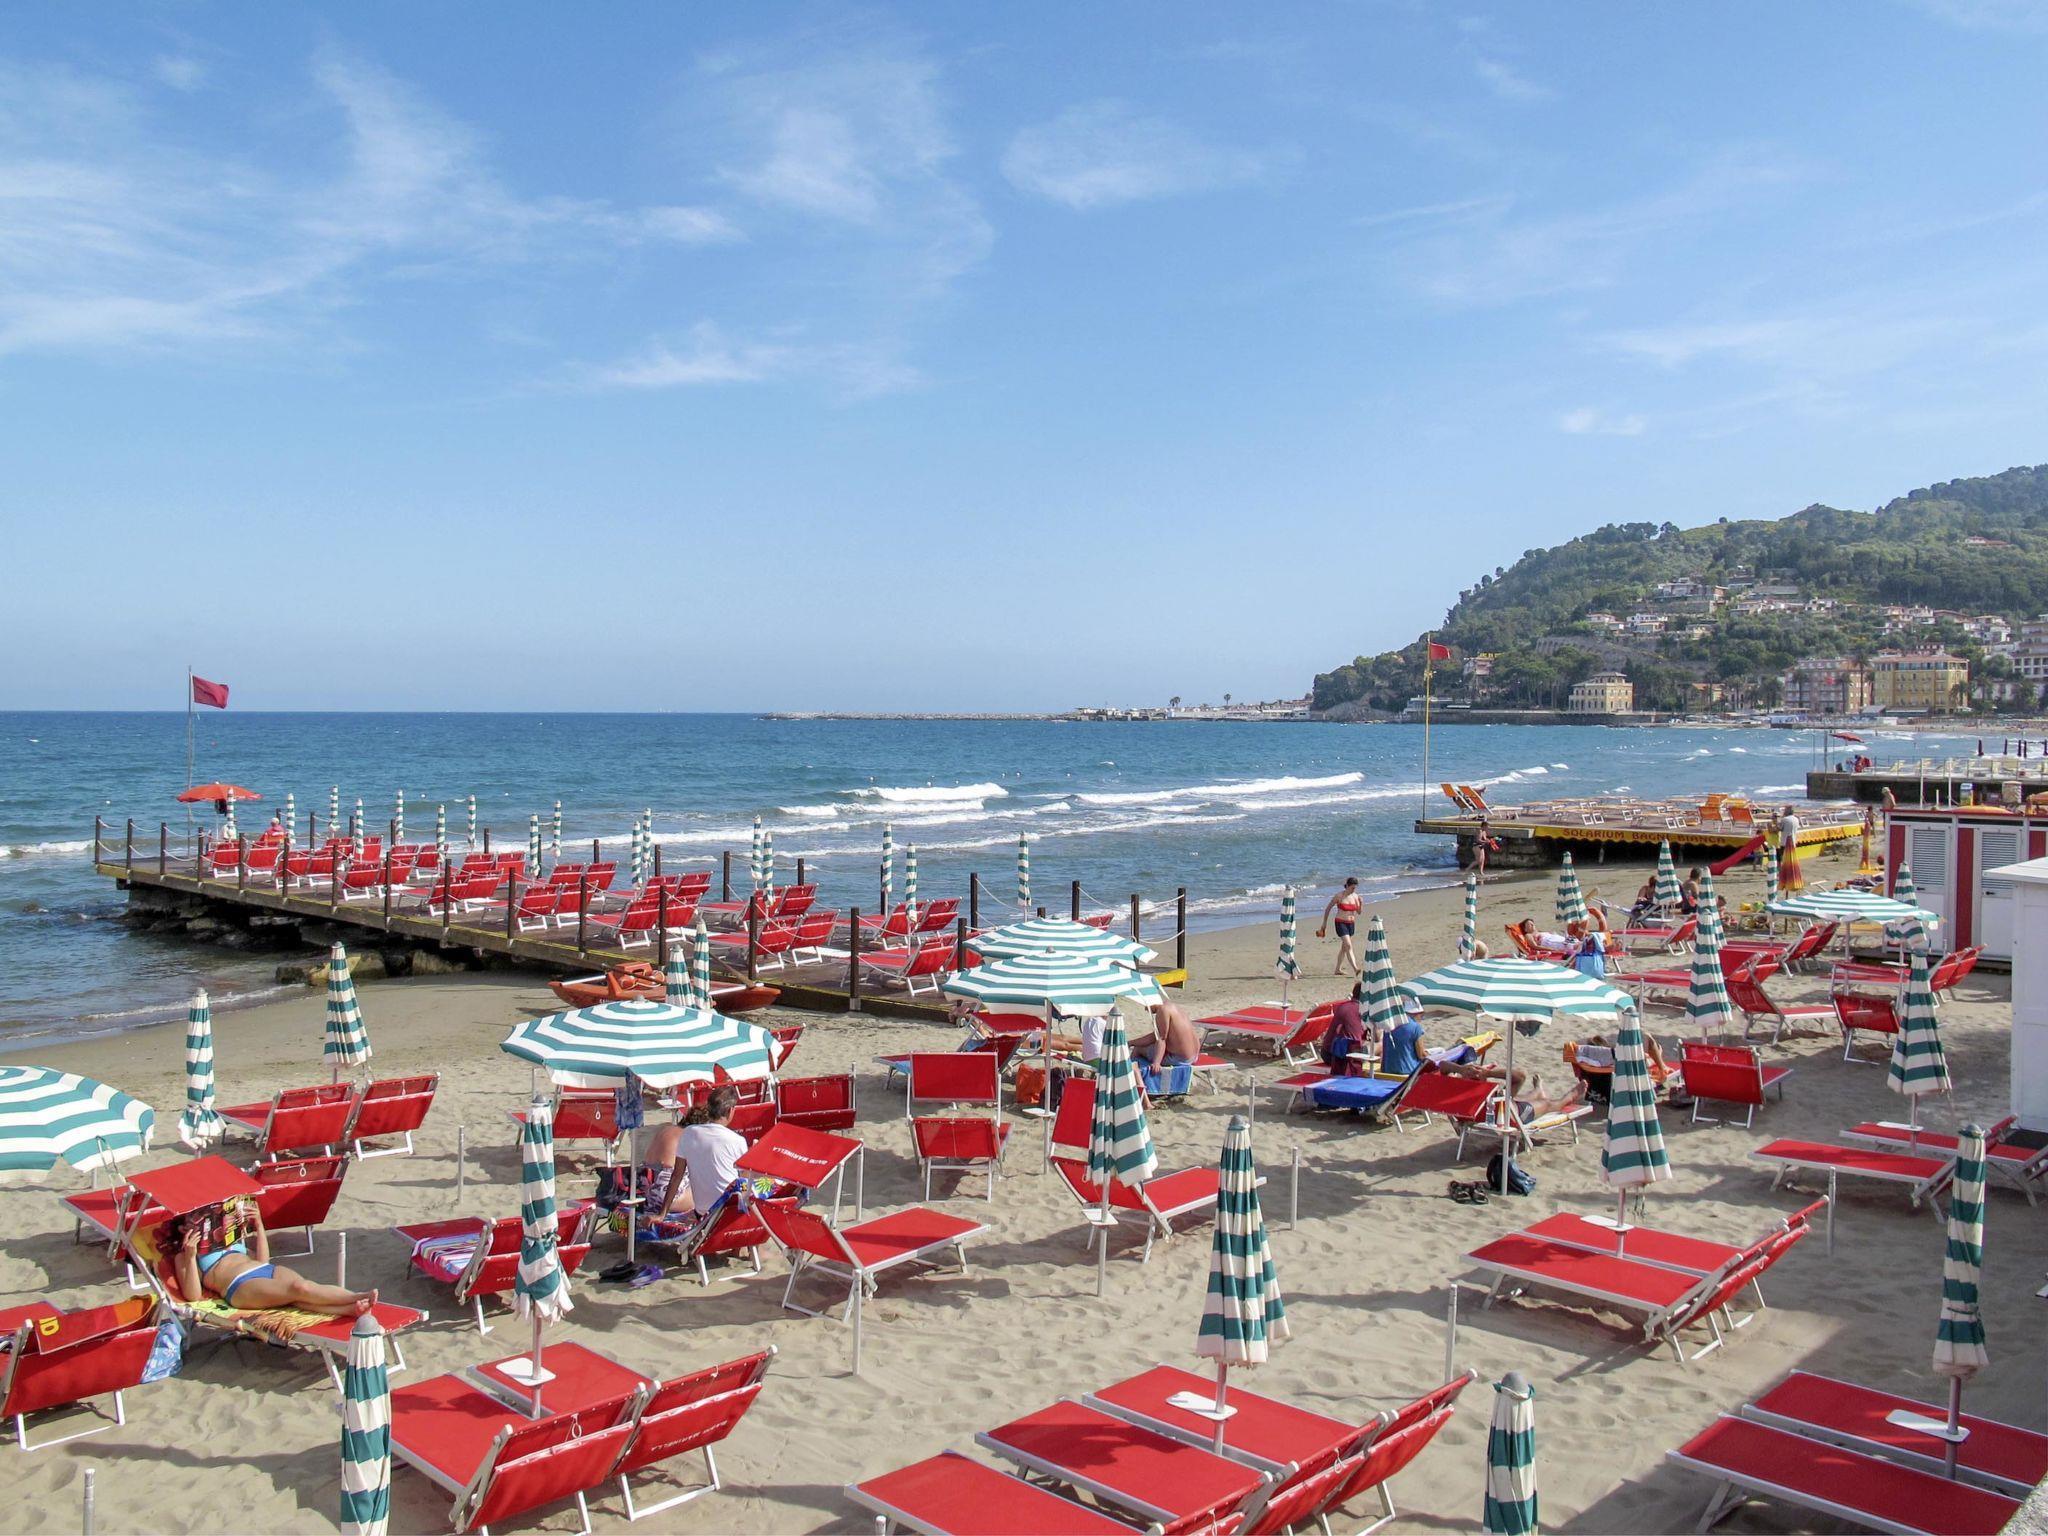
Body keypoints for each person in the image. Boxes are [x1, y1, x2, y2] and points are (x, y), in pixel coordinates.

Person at [170, 1206, 377, 1317]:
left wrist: (259, 1226)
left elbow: (263, 1260)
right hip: (239, 1285)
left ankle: (349, 1310)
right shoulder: (185, 1256)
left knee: (299, 1294)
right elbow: (193, 1295)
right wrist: (190, 1256)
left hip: (264, 1269)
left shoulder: (228, 1238)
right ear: (182, 1228)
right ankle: (358, 1296)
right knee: (300, 1288)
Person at [655, 1086, 747, 1220]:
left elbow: (676, 1176)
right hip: (727, 1211)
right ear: (730, 1111)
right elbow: (744, 1181)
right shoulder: (737, 1140)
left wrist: (662, 1214)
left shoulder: (688, 1133)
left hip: (702, 1212)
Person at [1130, 1000, 1201, 1072]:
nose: (1146, 1009)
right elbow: (1155, 1036)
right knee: (1146, 1045)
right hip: (1194, 1056)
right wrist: (1131, 1042)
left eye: (1146, 1006)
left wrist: (1157, 1062)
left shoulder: (1162, 1010)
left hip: (1180, 1059)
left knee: (1138, 1048)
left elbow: (1161, 1039)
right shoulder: (1172, 1006)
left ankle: (1132, 1074)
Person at [1320, 982, 1370, 1076]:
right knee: (1380, 1045)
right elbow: (1355, 1043)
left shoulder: (1345, 1006)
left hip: (1327, 1051)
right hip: (1341, 1057)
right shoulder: (1360, 1010)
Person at [1317, 878, 1364, 976]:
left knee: (1344, 948)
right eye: (1352, 888)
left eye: (1355, 888)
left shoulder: (1355, 896)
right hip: (1340, 923)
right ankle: (1355, 968)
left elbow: (1359, 912)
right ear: (1347, 886)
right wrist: (1324, 923)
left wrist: (1361, 903)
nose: (1354, 890)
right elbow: (1328, 908)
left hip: (1351, 924)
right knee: (1348, 945)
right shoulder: (1339, 896)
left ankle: (1337, 969)